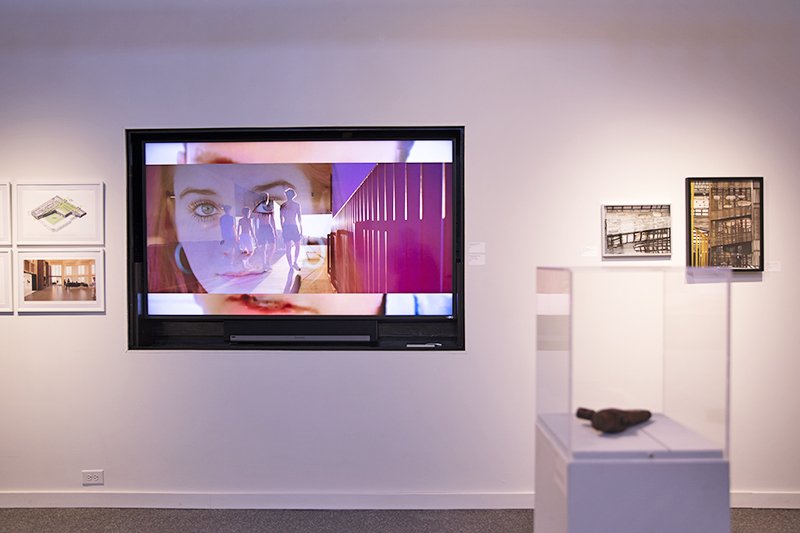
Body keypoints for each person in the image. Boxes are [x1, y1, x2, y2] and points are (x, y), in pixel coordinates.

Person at [280, 188, 303, 271]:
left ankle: (293, 264)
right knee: (292, 246)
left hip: (289, 227)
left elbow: (281, 220)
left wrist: (283, 229)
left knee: (291, 247)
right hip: (292, 226)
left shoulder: (285, 205)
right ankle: (293, 264)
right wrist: (301, 230)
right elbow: (299, 218)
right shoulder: (294, 205)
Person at [254, 194, 276, 273]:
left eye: (266, 198)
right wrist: (256, 231)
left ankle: (267, 262)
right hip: (262, 228)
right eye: (264, 197)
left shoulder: (269, 208)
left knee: (273, 246)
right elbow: (255, 220)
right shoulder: (258, 208)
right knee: (263, 248)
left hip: (268, 227)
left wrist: (274, 230)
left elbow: (272, 219)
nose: (266, 199)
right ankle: (264, 264)